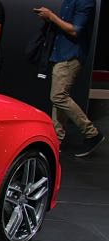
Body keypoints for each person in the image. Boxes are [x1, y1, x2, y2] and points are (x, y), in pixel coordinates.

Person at [34, 0, 102, 157]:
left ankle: (92, 133)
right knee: (58, 98)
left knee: (58, 96)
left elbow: (75, 30)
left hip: (70, 55)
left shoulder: (85, 1)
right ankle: (57, 139)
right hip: (61, 54)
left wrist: (51, 16)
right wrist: (49, 17)